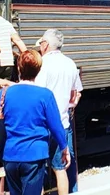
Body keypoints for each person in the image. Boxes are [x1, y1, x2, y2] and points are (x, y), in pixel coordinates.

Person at [0, 50, 71, 195]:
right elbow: (56, 126)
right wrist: (64, 147)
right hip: (34, 157)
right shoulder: (45, 95)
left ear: (19, 68)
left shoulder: (5, 93)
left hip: (10, 157)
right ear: (38, 70)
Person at [35, 29, 83, 195]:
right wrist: (69, 105)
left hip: (42, 125)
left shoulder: (42, 64)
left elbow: (37, 93)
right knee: (60, 168)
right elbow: (77, 93)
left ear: (46, 45)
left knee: (38, 170)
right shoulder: (70, 63)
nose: (40, 47)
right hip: (62, 124)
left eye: (41, 44)